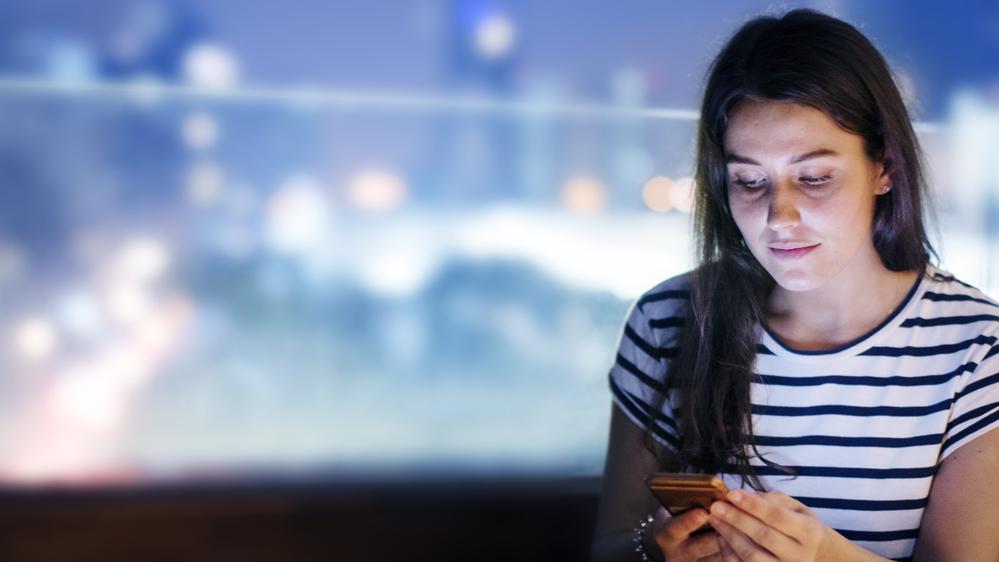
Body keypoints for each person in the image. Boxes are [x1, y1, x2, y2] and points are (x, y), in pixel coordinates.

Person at [591, 8, 999, 562]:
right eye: (750, 180)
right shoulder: (669, 321)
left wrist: (825, 557)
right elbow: (610, 547)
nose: (780, 215)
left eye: (813, 177)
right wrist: (654, 551)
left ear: (884, 166)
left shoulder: (975, 348)